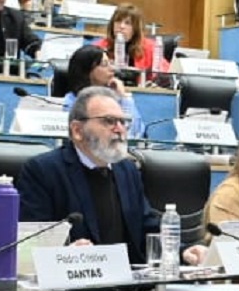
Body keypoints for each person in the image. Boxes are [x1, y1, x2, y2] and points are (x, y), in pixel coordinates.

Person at [19, 87, 163, 265]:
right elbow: (30, 245)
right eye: (109, 121)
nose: (119, 129)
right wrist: (65, 253)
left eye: (123, 121)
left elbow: (147, 228)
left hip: (129, 285)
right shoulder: (44, 171)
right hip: (76, 287)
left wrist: (184, 251)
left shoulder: (128, 170)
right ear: (78, 130)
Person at [95, 3, 169, 77]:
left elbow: (165, 73)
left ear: (135, 28)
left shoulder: (150, 47)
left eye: (127, 23)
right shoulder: (100, 47)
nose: (121, 26)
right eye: (118, 21)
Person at [49, 44, 126, 102]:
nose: (112, 69)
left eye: (111, 63)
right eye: (104, 64)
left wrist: (123, 97)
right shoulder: (72, 102)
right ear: (87, 70)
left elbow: (132, 123)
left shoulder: (112, 97)